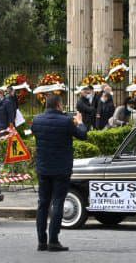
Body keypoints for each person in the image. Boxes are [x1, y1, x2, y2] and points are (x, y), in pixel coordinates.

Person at [32, 94, 87, 252]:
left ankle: (41, 242)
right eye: (62, 105)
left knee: (42, 204)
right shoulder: (66, 121)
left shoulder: (37, 120)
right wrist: (80, 122)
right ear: (58, 105)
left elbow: (36, 134)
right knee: (57, 203)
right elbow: (83, 135)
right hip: (61, 169)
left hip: (43, 168)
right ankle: (53, 241)